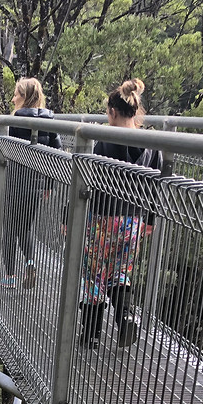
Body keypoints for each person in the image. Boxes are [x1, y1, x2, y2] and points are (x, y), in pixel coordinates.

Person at [79, 78, 162, 347]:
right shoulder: (152, 144)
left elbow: (86, 180)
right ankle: (126, 317)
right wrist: (149, 220)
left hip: (102, 218)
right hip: (133, 221)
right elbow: (155, 185)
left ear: (113, 112)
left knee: (94, 274)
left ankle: (91, 334)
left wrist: (71, 214)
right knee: (121, 271)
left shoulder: (103, 140)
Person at [0, 77, 63, 289]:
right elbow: (57, 154)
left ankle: (10, 276)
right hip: (37, 186)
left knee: (9, 228)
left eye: (16, 94)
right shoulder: (50, 119)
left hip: (15, 182)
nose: (13, 98)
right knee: (25, 228)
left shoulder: (17, 119)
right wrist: (49, 185)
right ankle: (30, 263)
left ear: (24, 97)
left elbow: (6, 150)